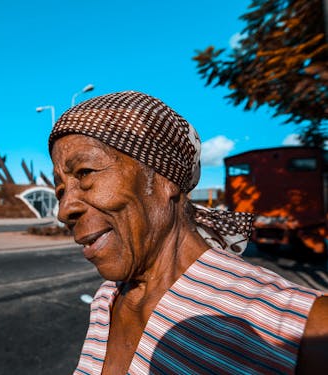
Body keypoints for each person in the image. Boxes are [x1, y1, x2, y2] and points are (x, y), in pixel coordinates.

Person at [48, 91, 327, 375]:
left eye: (85, 172)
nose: (64, 209)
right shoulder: (106, 300)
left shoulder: (293, 328)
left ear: (162, 178)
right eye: (60, 190)